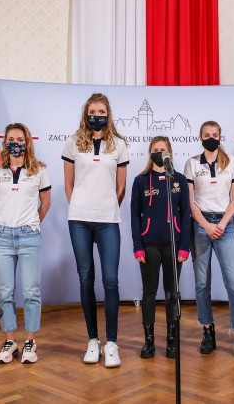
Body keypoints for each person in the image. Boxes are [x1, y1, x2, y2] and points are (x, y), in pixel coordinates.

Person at [62, 93, 129, 368]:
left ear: (108, 113)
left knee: (110, 280)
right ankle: (93, 341)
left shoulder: (120, 145)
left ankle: (111, 343)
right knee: (85, 278)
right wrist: (80, 205)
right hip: (79, 218)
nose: (97, 115)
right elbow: (68, 183)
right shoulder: (73, 142)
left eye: (101, 111)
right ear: (86, 114)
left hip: (108, 219)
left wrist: (106, 206)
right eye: (92, 111)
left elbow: (121, 187)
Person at [184, 120, 234, 360]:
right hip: (201, 226)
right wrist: (206, 225)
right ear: (199, 138)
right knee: (202, 283)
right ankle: (207, 330)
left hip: (225, 225)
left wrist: (221, 224)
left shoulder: (231, 162)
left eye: (215, 134)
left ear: (221, 136)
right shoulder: (192, 164)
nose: (211, 137)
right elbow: (190, 202)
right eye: (206, 135)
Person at [0, 123, 51, 364]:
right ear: (5, 143)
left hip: (29, 236)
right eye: (11, 138)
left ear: (27, 142)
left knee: (31, 291)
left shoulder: (40, 170)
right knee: (4, 292)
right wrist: (1, 223)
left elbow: (45, 203)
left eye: (20, 138)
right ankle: (10, 340)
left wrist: (32, 223)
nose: (15, 142)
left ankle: (30, 341)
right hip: (2, 237)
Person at [130, 136, 191, 359]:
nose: (159, 152)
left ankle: (172, 340)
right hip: (149, 245)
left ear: (170, 152)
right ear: (150, 153)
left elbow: (186, 215)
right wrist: (138, 246)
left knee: (171, 293)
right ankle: (149, 341)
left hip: (174, 245)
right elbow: (134, 215)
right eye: (155, 149)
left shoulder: (179, 180)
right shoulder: (140, 181)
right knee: (149, 292)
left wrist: (184, 246)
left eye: (163, 149)